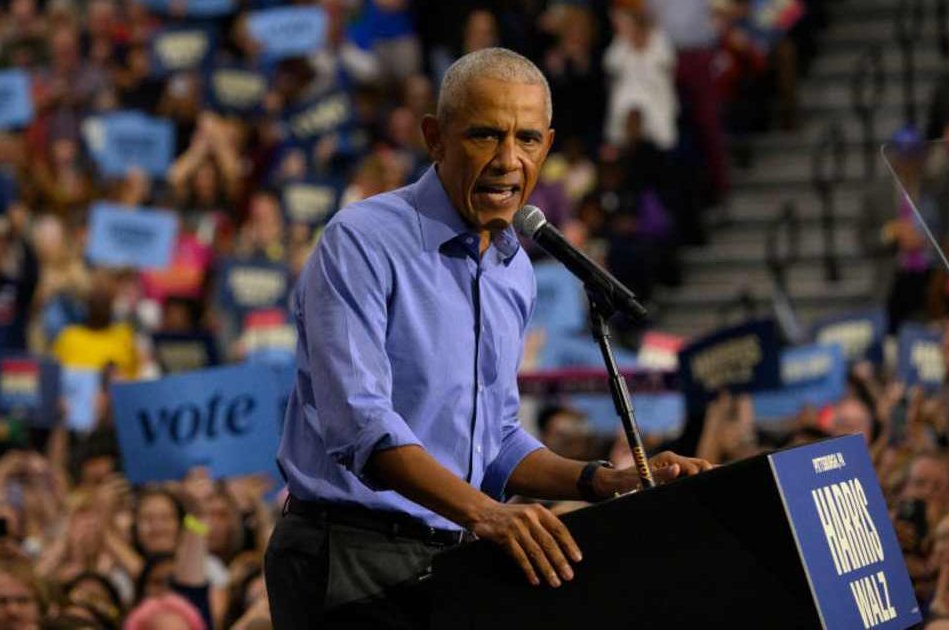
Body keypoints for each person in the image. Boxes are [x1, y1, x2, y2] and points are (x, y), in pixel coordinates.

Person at [265, 47, 711, 629]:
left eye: (527, 140)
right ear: (435, 137)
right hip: (348, 557)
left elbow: (494, 441)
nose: (508, 160)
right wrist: (487, 515)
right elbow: (360, 425)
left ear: (547, 147)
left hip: (450, 556)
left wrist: (604, 482)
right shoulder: (363, 241)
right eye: (484, 136)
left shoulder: (513, 270)